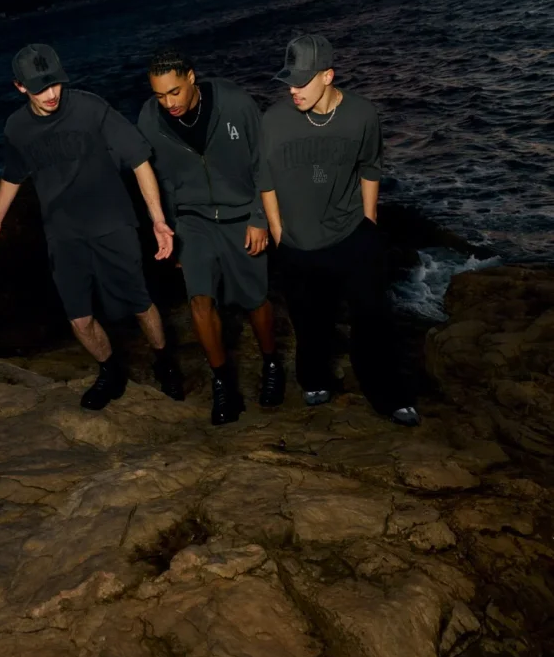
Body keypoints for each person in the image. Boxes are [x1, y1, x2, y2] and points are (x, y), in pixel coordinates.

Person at [0, 43, 184, 410]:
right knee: (79, 317)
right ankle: (110, 371)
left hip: (111, 223)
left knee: (139, 302)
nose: (52, 94)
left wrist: (159, 221)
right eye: (40, 88)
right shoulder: (16, 128)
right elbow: (13, 174)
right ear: (19, 87)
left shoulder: (90, 108)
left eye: (56, 84)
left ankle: (164, 361)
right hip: (62, 233)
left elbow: (139, 160)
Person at [259, 33, 420, 427]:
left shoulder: (361, 115)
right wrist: (279, 234)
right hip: (297, 244)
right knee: (310, 321)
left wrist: (369, 222)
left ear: (328, 75)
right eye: (289, 81)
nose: (293, 90)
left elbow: (369, 167)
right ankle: (314, 380)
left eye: (302, 81)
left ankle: (388, 396)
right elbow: (265, 180)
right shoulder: (273, 123)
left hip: (352, 236)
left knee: (373, 321)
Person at [138, 47, 284, 426]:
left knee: (255, 299)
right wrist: (170, 231)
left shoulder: (235, 103)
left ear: (191, 78)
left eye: (174, 92)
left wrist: (259, 217)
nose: (168, 103)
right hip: (193, 220)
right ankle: (224, 385)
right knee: (199, 301)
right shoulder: (150, 119)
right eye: (159, 95)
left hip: (241, 217)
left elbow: (263, 163)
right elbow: (161, 180)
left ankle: (271, 364)